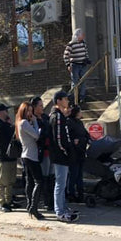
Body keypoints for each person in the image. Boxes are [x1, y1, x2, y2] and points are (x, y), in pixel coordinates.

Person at [49, 91, 79, 223]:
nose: (67, 101)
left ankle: (63, 207)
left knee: (63, 183)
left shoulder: (60, 116)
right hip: (60, 155)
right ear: (59, 101)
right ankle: (59, 211)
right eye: (65, 99)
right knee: (60, 184)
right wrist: (65, 151)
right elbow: (59, 138)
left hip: (61, 154)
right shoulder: (57, 116)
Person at [16, 102, 44, 220]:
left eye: (31, 111)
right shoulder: (24, 123)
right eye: (27, 111)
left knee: (30, 181)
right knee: (39, 181)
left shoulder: (21, 123)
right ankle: (33, 207)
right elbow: (37, 136)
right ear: (23, 111)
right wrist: (36, 122)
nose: (30, 113)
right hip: (30, 156)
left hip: (27, 155)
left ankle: (30, 206)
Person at [31, 96, 54, 211]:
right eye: (40, 105)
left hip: (50, 150)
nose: (42, 107)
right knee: (43, 177)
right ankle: (45, 201)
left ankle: (51, 200)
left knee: (51, 176)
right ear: (34, 107)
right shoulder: (33, 119)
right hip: (40, 152)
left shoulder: (45, 117)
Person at [0, 103, 16, 212]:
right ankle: (2, 202)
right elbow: (5, 141)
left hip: (11, 157)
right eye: (6, 111)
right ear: (0, 112)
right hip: (3, 157)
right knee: (2, 181)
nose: (7, 113)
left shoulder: (5, 124)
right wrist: (11, 127)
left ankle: (8, 200)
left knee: (10, 180)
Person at [67, 104, 90, 204]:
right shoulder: (69, 122)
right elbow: (69, 136)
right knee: (73, 174)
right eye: (80, 111)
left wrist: (89, 139)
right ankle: (71, 193)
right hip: (74, 152)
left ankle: (80, 193)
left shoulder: (80, 123)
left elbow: (85, 133)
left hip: (81, 151)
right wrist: (74, 141)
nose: (81, 113)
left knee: (79, 174)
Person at [63, 28, 91, 103]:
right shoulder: (71, 44)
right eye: (82, 34)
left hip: (83, 64)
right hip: (75, 65)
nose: (83, 36)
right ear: (77, 35)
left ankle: (82, 96)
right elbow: (66, 55)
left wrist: (87, 59)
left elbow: (85, 52)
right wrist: (68, 64)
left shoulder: (83, 43)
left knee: (83, 80)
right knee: (75, 81)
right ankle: (74, 97)